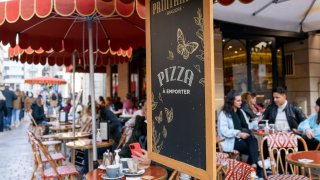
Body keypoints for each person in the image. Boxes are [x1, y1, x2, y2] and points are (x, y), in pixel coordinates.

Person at [217, 90, 259, 168]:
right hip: (230, 141)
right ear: (232, 101)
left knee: (253, 142)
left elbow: (247, 126)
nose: (241, 102)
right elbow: (224, 131)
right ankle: (252, 168)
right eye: (238, 101)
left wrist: (257, 122)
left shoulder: (241, 112)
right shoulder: (224, 113)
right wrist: (238, 133)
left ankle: (252, 167)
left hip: (242, 138)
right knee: (254, 149)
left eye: (241, 100)